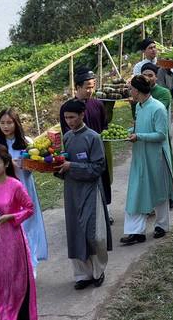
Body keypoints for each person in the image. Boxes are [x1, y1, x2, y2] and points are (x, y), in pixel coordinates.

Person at [55, 99, 112, 289]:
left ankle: (98, 271)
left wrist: (72, 166)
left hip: (90, 190)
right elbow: (63, 166)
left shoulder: (93, 137)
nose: (69, 121)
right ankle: (82, 275)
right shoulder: (67, 138)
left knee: (94, 234)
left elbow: (98, 167)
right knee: (75, 232)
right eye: (66, 118)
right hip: (71, 191)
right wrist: (55, 168)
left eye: (72, 117)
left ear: (82, 115)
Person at [0, 145, 37, 320]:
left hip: (12, 239)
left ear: (5, 164)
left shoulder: (15, 185)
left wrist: (11, 216)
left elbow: (29, 208)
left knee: (14, 279)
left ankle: (16, 314)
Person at [0, 109, 48, 278]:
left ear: (16, 123)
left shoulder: (27, 142)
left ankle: (31, 264)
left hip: (24, 188)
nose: (6, 126)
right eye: (2, 123)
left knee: (28, 226)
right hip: (4, 192)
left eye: (9, 122)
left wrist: (24, 165)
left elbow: (34, 168)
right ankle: (13, 266)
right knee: (9, 228)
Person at [121, 75, 173, 245]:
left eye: (131, 89)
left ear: (137, 91)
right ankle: (135, 231)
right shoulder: (139, 106)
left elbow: (160, 135)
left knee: (158, 190)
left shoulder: (158, 108)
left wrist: (138, 136)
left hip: (156, 156)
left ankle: (162, 225)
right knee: (136, 190)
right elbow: (140, 126)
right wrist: (129, 131)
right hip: (140, 154)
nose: (130, 91)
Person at [60, 68, 114, 223]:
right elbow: (67, 133)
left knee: (101, 181)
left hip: (97, 150)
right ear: (77, 87)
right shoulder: (67, 108)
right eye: (87, 87)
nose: (91, 90)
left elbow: (104, 126)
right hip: (79, 154)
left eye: (93, 86)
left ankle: (104, 212)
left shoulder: (97, 104)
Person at [141, 62, 173, 186]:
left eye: (150, 75)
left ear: (156, 77)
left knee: (164, 158)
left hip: (159, 131)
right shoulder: (137, 93)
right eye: (144, 75)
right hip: (143, 131)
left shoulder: (163, 92)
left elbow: (159, 111)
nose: (147, 78)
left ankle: (170, 185)